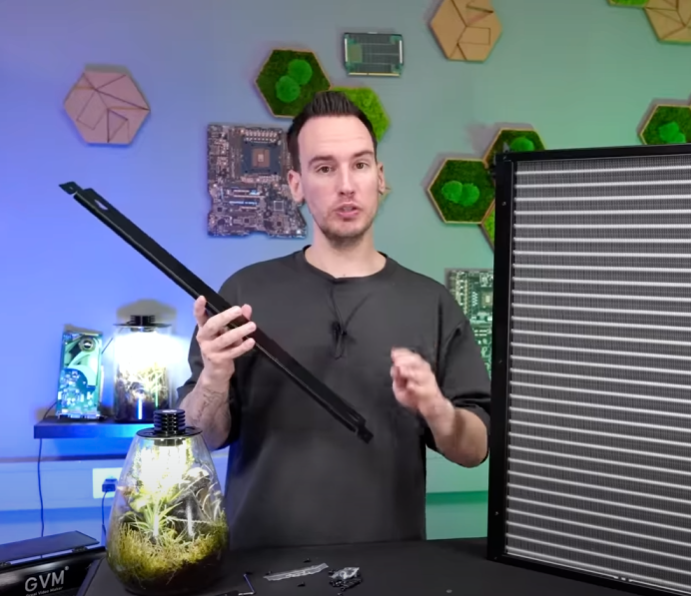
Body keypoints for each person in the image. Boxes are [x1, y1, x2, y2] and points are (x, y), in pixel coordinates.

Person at [177, 91, 492, 551]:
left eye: (360, 164)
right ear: (296, 184)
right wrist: (213, 380)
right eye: (325, 168)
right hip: (258, 568)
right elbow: (202, 438)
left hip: (393, 567)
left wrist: (439, 411)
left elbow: (475, 450)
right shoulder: (243, 295)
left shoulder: (432, 303)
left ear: (379, 177)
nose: (347, 185)